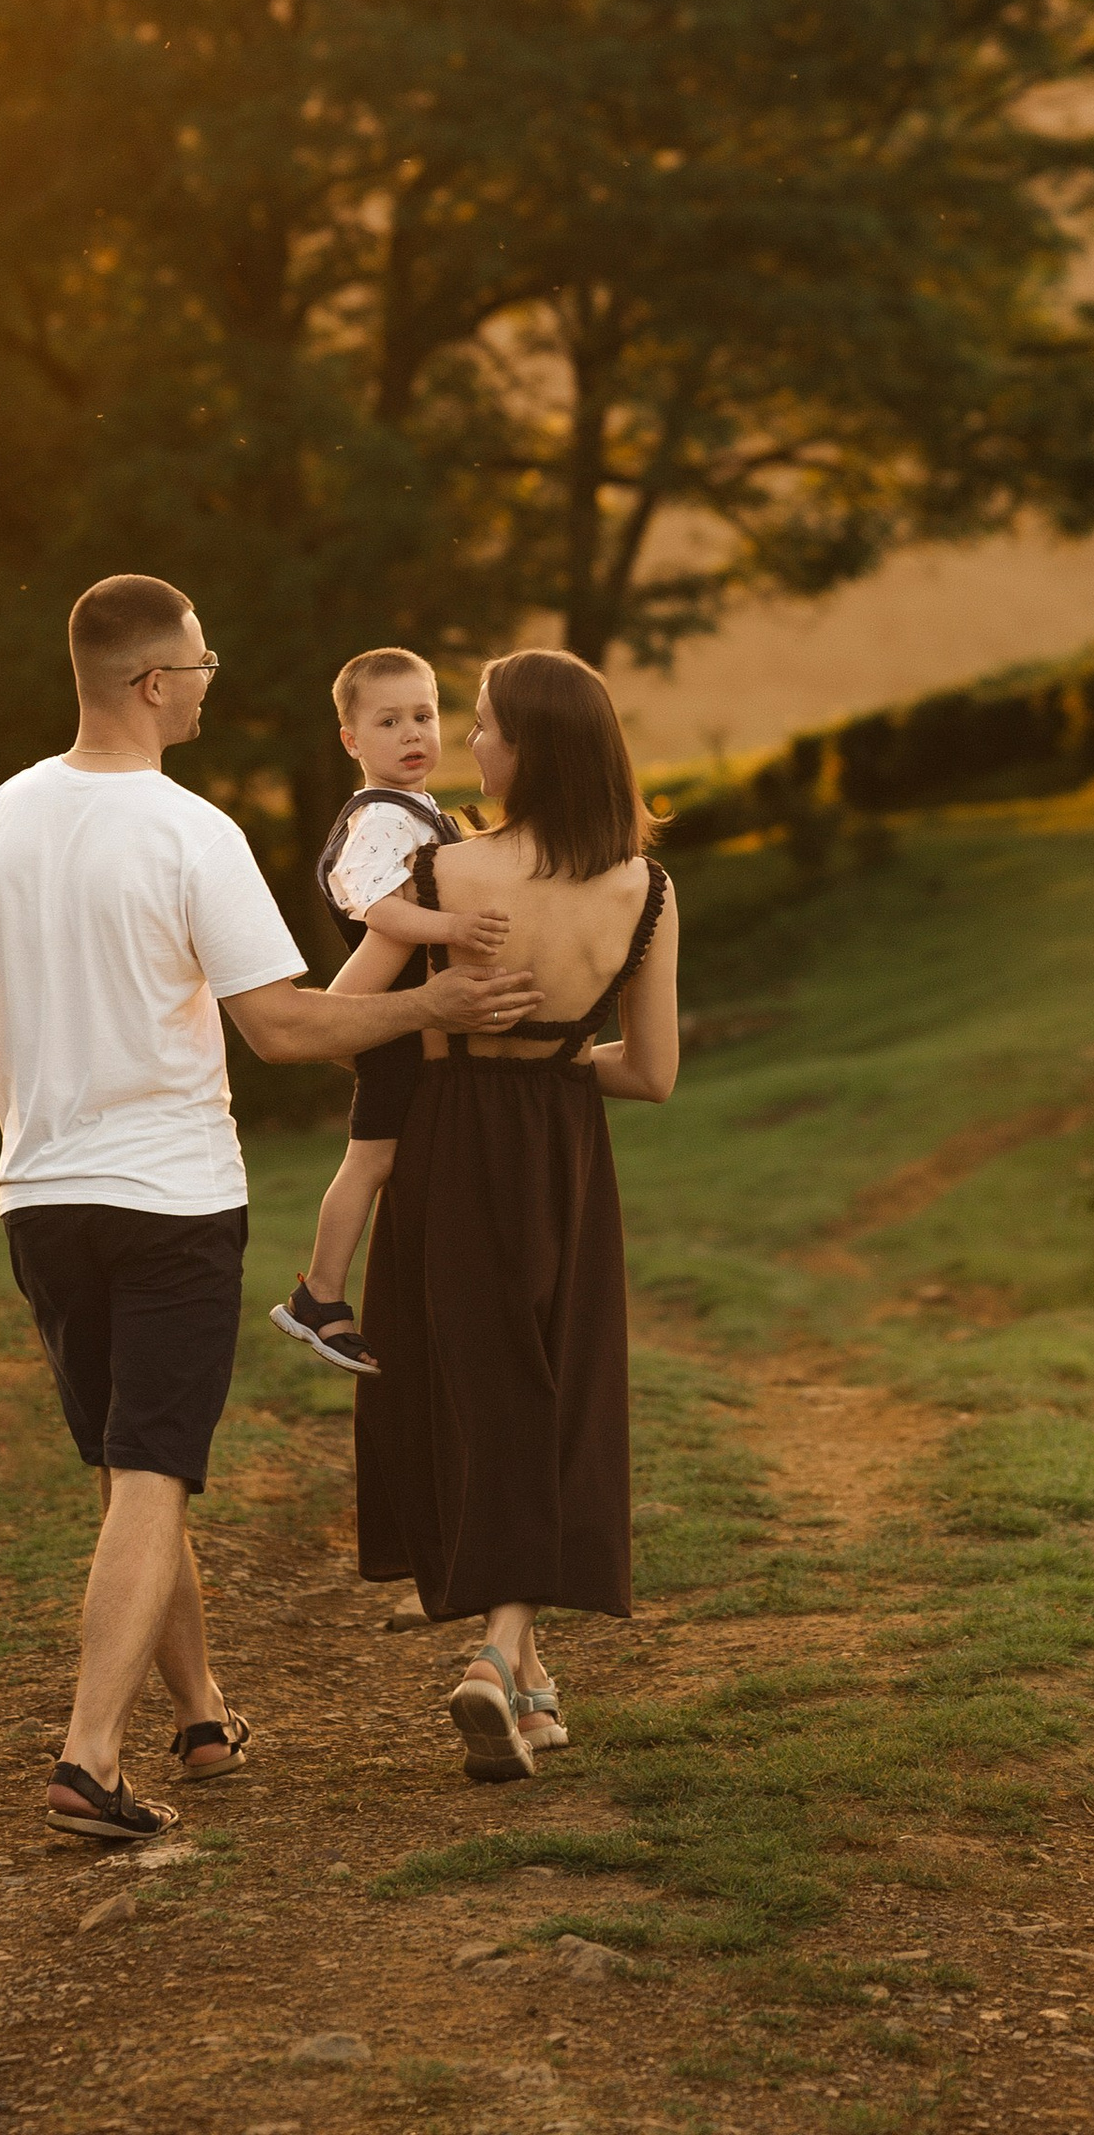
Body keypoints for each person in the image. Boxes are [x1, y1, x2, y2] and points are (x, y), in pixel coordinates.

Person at [0, 573, 543, 1847]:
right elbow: (283, 1024)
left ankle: (197, 1711)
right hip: (172, 1199)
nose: (211, 677)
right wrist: (433, 1008)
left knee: (130, 1466)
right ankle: (89, 1757)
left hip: (40, 1196)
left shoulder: (0, 811)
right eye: (200, 661)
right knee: (152, 1468)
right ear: (155, 683)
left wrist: (30, 1092)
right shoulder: (191, 830)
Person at [349, 645, 682, 1781]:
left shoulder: (443, 873)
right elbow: (651, 1072)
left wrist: (438, 1014)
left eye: (484, 723)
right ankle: (530, 1680)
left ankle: (494, 1655)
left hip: (449, 1142)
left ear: (529, 746)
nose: (468, 741)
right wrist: (553, 1063)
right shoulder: (646, 886)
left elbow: (346, 1018)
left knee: (481, 1389)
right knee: (550, 1386)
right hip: (563, 1148)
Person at [269, 648, 506, 1381]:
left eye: (426, 716)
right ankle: (319, 1295)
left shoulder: (420, 811)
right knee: (369, 1159)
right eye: (389, 720)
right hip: (390, 1019)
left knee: (397, 1159)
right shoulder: (378, 818)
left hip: (408, 1017)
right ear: (351, 741)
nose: (413, 733)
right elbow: (373, 904)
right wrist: (454, 931)